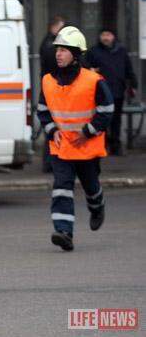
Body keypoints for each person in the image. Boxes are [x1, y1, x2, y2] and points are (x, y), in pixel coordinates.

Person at [37, 26, 113, 251]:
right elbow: (42, 110)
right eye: (58, 49)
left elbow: (107, 109)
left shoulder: (94, 80)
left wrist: (88, 131)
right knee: (62, 186)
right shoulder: (48, 81)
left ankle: (97, 206)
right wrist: (52, 131)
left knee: (91, 185)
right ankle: (64, 232)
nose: (59, 53)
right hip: (61, 147)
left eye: (64, 50)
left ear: (76, 54)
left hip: (86, 145)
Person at [86, 29, 138, 156]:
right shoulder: (94, 51)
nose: (105, 38)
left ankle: (115, 145)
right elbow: (85, 67)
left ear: (113, 36)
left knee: (116, 120)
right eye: (103, 34)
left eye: (108, 35)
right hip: (100, 92)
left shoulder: (121, 51)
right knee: (102, 119)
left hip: (117, 91)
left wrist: (133, 85)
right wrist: (91, 69)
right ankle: (102, 144)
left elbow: (128, 69)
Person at [39, 16, 66, 172]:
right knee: (51, 127)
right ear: (54, 27)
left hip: (50, 87)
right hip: (52, 88)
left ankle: (50, 162)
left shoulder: (48, 43)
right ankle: (49, 163)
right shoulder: (51, 46)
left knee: (51, 126)